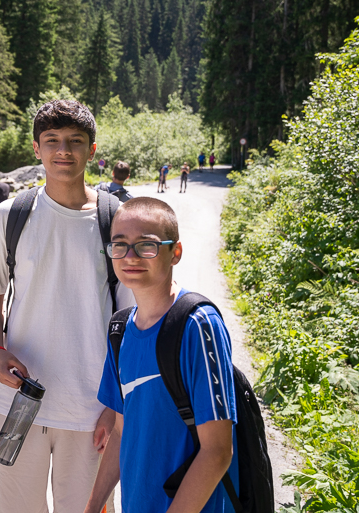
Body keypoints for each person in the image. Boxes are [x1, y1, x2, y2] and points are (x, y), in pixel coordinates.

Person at [0, 100, 137, 513]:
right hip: (16, 402)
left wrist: (115, 407)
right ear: (36, 149)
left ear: (92, 150)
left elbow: (134, 322)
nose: (63, 150)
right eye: (52, 141)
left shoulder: (115, 218)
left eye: (74, 141)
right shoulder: (12, 215)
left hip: (91, 409)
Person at [84, 197, 238, 513]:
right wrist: (93, 506)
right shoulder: (120, 329)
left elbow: (218, 451)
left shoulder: (198, 325)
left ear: (174, 252)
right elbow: (120, 431)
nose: (130, 256)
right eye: (120, 244)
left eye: (147, 246)